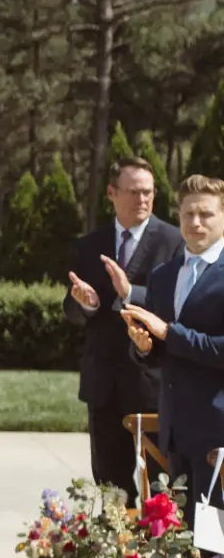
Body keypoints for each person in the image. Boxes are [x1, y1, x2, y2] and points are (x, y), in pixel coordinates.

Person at [64, 156, 182, 504]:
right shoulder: (89, 245)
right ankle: (116, 556)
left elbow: (176, 305)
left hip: (154, 383)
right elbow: (71, 312)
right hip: (104, 387)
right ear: (112, 194)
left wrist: (130, 294)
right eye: (133, 192)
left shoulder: (173, 241)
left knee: (163, 490)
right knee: (112, 490)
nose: (142, 199)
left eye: (148, 192)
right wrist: (85, 303)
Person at [121, 173, 224, 523]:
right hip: (174, 434)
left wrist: (168, 333)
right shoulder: (164, 276)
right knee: (179, 551)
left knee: (216, 551)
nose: (195, 222)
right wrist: (145, 347)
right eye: (187, 214)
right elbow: (160, 356)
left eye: (206, 214)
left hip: (218, 437)